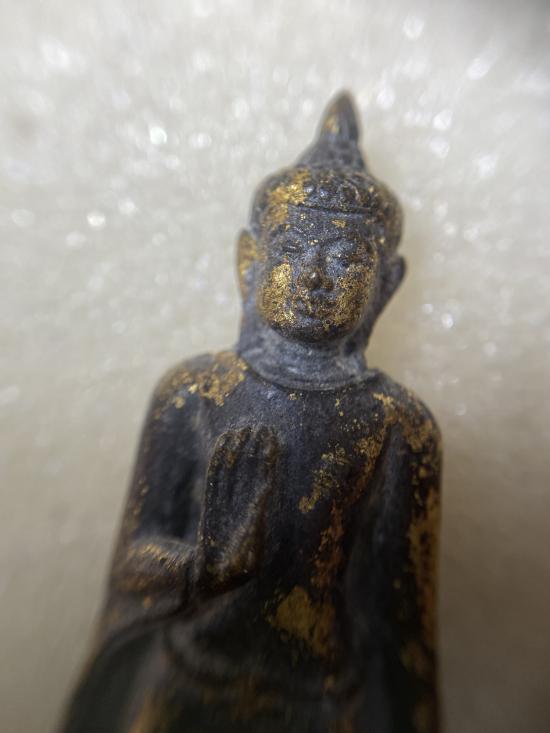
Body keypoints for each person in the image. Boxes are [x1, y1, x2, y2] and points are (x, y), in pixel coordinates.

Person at [59, 92, 442, 733]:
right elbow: (133, 565)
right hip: (188, 679)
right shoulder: (193, 392)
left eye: (347, 258)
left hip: (321, 698)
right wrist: (201, 569)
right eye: (293, 249)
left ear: (388, 281)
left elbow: (402, 620)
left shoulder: (397, 425)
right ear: (249, 263)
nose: (315, 275)